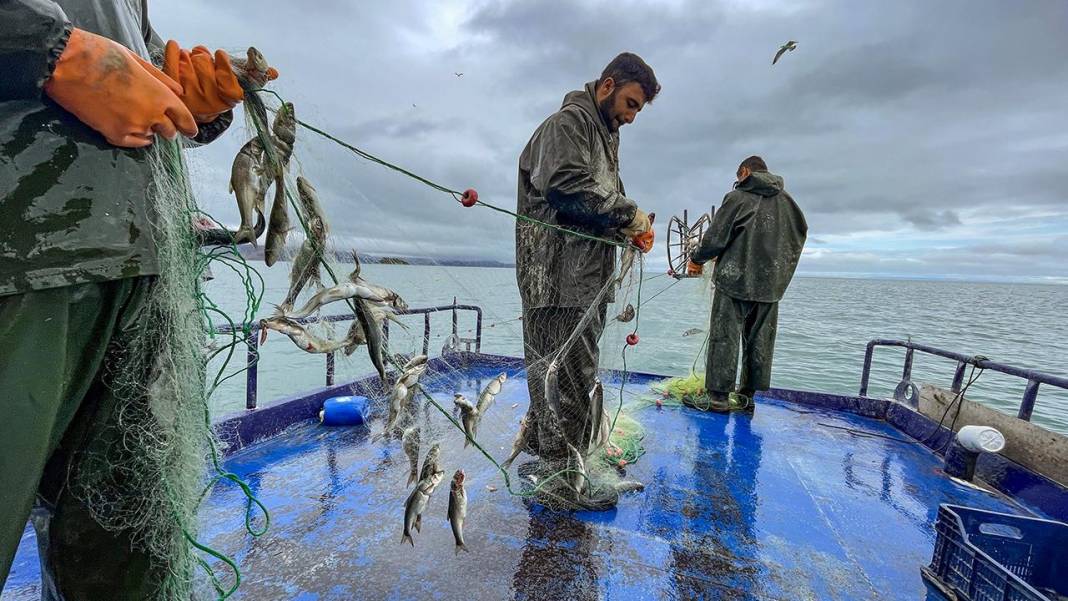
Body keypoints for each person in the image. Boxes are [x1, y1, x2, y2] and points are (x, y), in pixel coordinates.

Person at [0, 1, 276, 597]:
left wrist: (188, 97)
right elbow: (67, 48)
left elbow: (134, 61)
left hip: (144, 270)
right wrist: (45, 50)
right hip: (16, 258)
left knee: (128, 550)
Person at [514, 52, 658, 504]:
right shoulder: (568, 124)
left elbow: (594, 201)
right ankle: (562, 482)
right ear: (607, 85)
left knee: (565, 372)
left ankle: (552, 458)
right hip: (557, 275)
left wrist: (625, 228)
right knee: (567, 376)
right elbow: (565, 183)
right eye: (631, 103)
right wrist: (627, 214)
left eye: (638, 109)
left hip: (583, 276)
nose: (632, 117)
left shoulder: (602, 135)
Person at [686, 156, 807, 413]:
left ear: (744, 172)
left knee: (725, 336)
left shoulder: (737, 198)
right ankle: (747, 397)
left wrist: (696, 259)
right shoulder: (789, 203)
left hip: (735, 281)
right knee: (760, 340)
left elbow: (716, 237)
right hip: (772, 286)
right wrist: (779, 274)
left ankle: (718, 398)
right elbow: (799, 236)